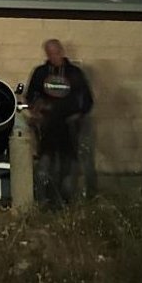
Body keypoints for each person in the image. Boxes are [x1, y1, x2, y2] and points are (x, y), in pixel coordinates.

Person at [26, 39, 94, 206]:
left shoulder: (74, 73)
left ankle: (66, 203)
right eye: (49, 53)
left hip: (69, 127)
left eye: (56, 53)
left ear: (62, 52)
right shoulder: (40, 73)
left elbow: (87, 99)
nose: (53, 56)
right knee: (44, 166)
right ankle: (43, 201)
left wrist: (78, 115)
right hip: (47, 127)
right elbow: (31, 95)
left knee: (68, 167)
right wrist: (36, 109)